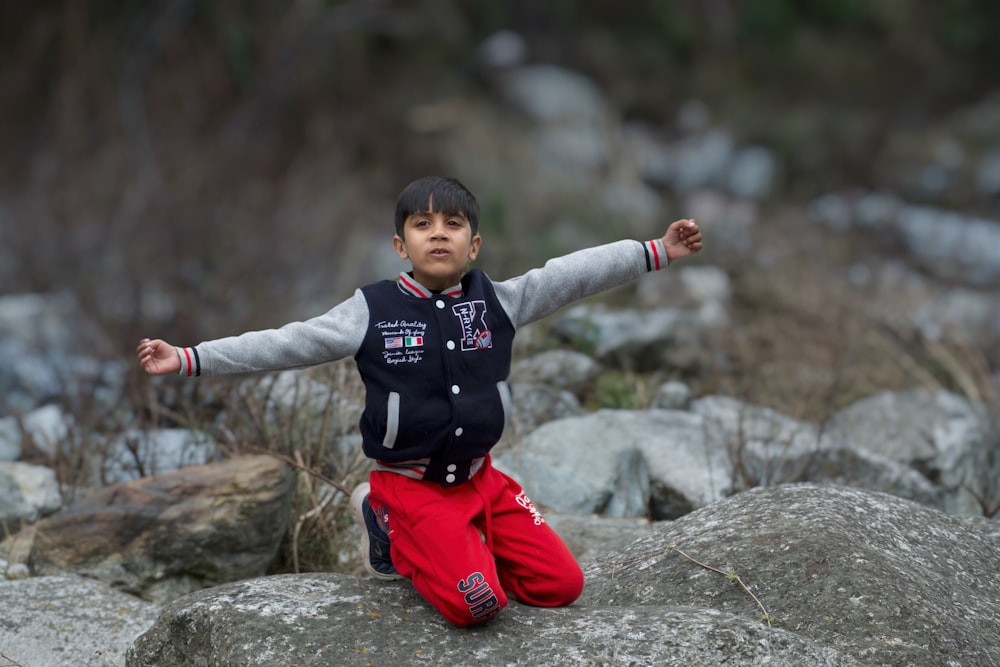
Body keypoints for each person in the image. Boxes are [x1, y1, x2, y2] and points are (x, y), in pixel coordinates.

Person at [137, 175, 703, 627]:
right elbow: (288, 342)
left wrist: (655, 250)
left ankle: (460, 544)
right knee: (479, 605)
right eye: (422, 223)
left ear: (473, 244)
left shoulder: (498, 302)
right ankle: (383, 520)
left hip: (484, 481)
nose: (438, 233)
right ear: (400, 244)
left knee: (563, 587)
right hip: (412, 487)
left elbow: (573, 274)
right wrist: (190, 357)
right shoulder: (371, 310)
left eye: (453, 224)